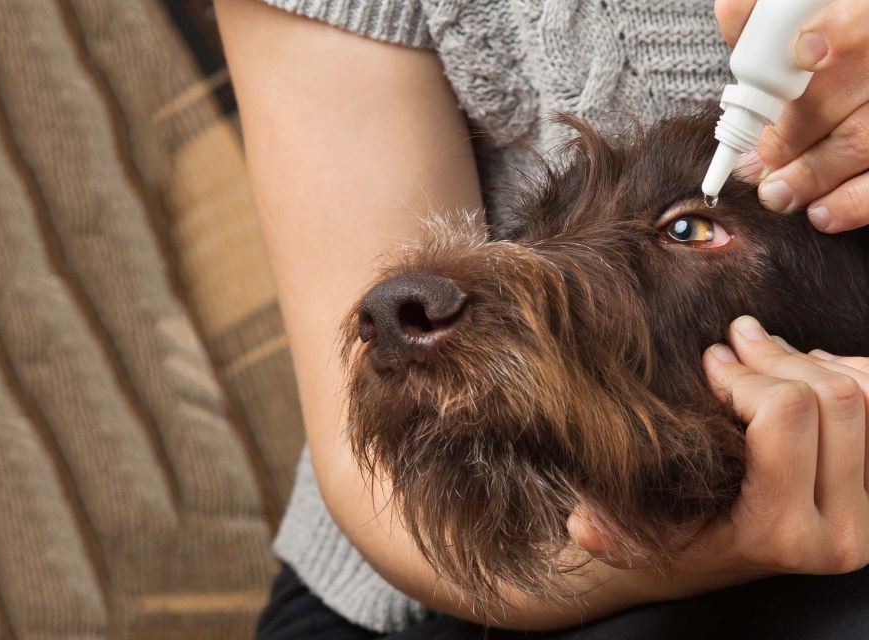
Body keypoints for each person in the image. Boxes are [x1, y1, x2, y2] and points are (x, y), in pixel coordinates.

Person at [217, 0, 869, 637]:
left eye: (692, 229)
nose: (401, 307)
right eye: (528, 232)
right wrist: (686, 553)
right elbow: (379, 495)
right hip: (447, 591)